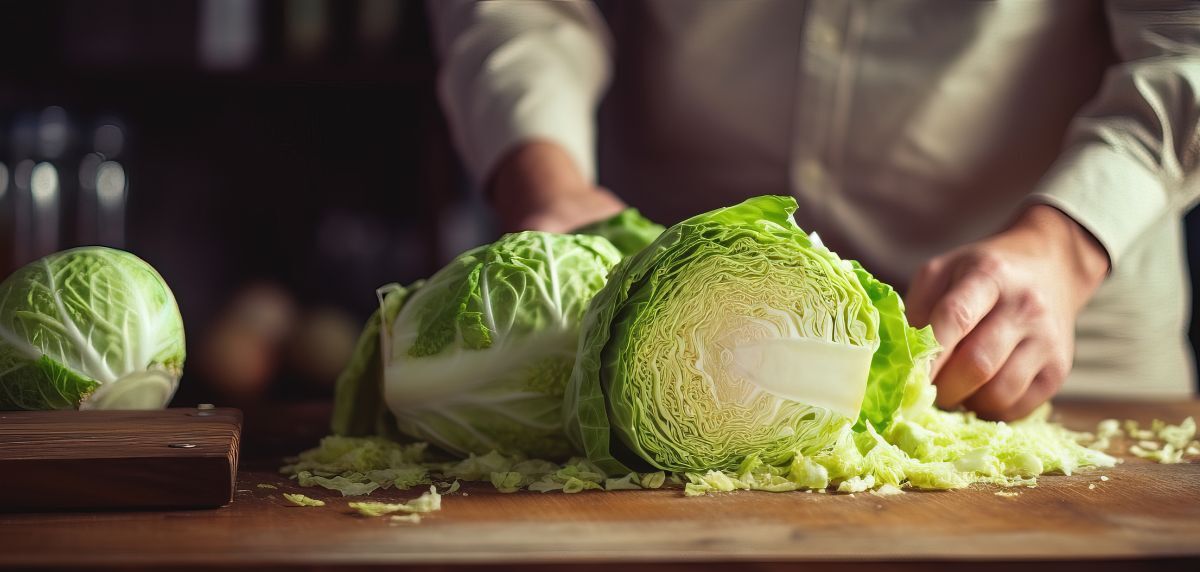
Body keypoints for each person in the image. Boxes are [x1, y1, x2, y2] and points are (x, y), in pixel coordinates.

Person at [429, 1, 1200, 420]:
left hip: (1044, 345)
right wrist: (547, 177)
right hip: (647, 321)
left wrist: (1066, 247)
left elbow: (1185, 44)